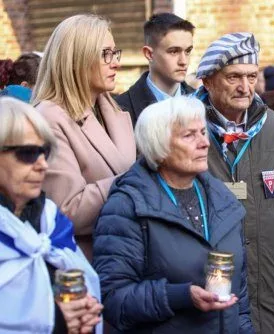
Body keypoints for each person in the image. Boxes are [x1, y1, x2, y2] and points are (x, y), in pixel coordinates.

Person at [195, 32, 274, 334]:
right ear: (208, 81)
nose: (245, 88)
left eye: (252, 76)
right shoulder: (185, 130)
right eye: (233, 77)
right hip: (204, 298)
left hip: (269, 296)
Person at [93, 96, 254, 333]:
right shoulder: (128, 206)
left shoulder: (222, 199)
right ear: (160, 147)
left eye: (202, 132)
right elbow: (114, 299)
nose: (204, 143)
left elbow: (239, 299)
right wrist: (180, 296)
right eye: (189, 135)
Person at [31, 14, 136, 259]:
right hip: (83, 265)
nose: (116, 63)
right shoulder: (49, 118)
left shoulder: (115, 112)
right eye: (105, 54)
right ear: (76, 60)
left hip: (125, 258)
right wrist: (135, 178)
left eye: (115, 53)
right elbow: (66, 211)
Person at [0, 97, 103, 333]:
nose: (42, 165)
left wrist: (85, 310)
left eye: (44, 152)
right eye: (27, 153)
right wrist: (56, 320)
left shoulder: (50, 221)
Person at [115, 13, 195, 128]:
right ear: (149, 54)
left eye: (188, 51)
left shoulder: (203, 101)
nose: (184, 61)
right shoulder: (121, 109)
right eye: (173, 51)